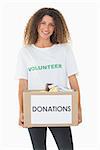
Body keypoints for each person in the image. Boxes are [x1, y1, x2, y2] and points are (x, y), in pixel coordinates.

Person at [16, 7, 82, 150]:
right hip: (34, 108)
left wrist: (78, 109)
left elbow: (73, 82)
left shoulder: (64, 50)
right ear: (36, 25)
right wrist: (21, 111)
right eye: (43, 23)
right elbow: (22, 85)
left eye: (51, 24)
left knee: (66, 147)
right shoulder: (25, 52)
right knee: (38, 148)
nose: (47, 28)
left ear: (56, 28)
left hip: (59, 107)